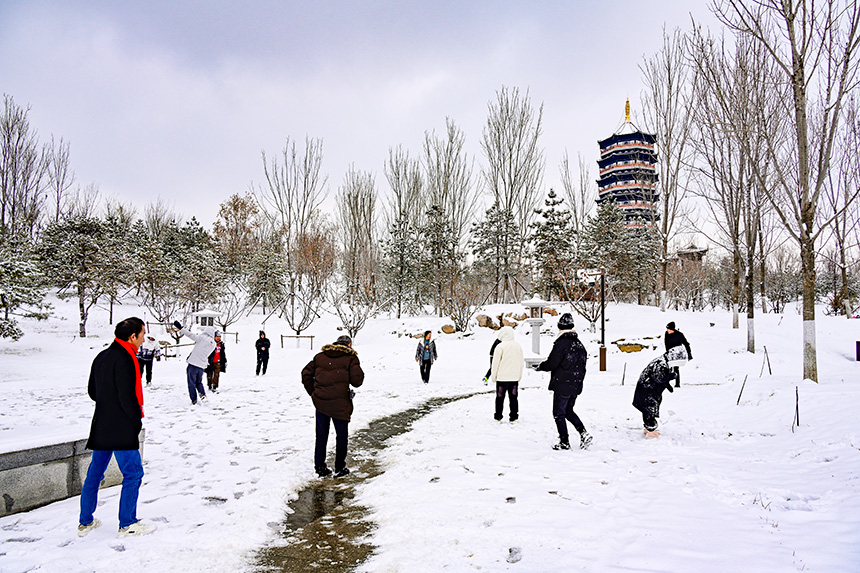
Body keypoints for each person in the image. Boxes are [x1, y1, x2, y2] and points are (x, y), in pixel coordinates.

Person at [78, 317, 155, 538]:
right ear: (132, 337)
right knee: (133, 473)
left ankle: (85, 522)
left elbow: (93, 391)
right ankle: (127, 523)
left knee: (95, 473)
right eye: (142, 334)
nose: (143, 338)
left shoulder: (101, 356)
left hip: (101, 423)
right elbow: (127, 396)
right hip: (121, 425)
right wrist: (134, 421)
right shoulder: (127, 359)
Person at [301, 334, 365, 478]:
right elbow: (357, 381)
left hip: (321, 402)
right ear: (349, 345)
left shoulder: (320, 356)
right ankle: (340, 468)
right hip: (340, 404)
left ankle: (320, 467)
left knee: (321, 436)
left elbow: (305, 374)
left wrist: (314, 393)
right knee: (341, 436)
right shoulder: (351, 358)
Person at [534, 313, 592, 450]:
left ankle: (564, 442)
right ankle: (583, 433)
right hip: (576, 383)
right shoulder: (579, 344)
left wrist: (541, 367)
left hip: (563, 384)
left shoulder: (561, 344)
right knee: (568, 411)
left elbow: (552, 363)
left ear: (559, 328)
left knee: (559, 413)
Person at [632, 351, 682, 438]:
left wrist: (668, 385)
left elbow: (659, 377)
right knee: (649, 409)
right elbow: (659, 378)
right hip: (647, 390)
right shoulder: (660, 364)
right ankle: (650, 431)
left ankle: (649, 428)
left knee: (649, 409)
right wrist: (672, 376)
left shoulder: (663, 362)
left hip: (648, 389)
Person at [173, 320, 216, 405]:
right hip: (201, 366)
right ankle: (203, 396)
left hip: (193, 364)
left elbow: (190, 335)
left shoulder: (201, 338)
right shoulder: (213, 344)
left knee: (191, 383)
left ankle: (194, 400)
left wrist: (181, 328)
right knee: (199, 382)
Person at [490, 326, 524, 423]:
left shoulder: (500, 346)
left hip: (502, 378)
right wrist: (519, 376)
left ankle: (498, 416)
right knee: (513, 398)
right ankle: (514, 417)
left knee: (500, 398)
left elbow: (495, 363)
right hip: (514, 378)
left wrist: (493, 377)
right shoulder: (518, 346)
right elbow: (521, 363)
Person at [664, 321, 693, 388]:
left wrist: (689, 353)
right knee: (668, 368)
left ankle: (677, 384)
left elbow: (686, 344)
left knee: (676, 368)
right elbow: (666, 344)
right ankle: (666, 383)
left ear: (672, 329)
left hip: (677, 353)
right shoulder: (666, 334)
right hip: (670, 352)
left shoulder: (679, 335)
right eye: (667, 329)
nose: (667, 330)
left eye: (668, 329)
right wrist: (668, 352)